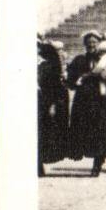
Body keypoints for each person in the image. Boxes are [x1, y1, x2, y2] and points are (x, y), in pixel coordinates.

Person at [67, 35, 106, 176]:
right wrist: (76, 81)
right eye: (89, 43)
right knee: (87, 132)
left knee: (101, 132)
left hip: (103, 101)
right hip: (85, 101)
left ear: (99, 44)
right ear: (85, 45)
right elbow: (71, 81)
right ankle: (95, 158)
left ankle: (97, 164)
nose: (92, 45)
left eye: (94, 42)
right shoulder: (79, 60)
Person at [38, 37, 70, 176]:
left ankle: (39, 164)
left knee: (42, 132)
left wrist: (52, 104)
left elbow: (53, 85)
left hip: (43, 101)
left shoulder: (47, 63)